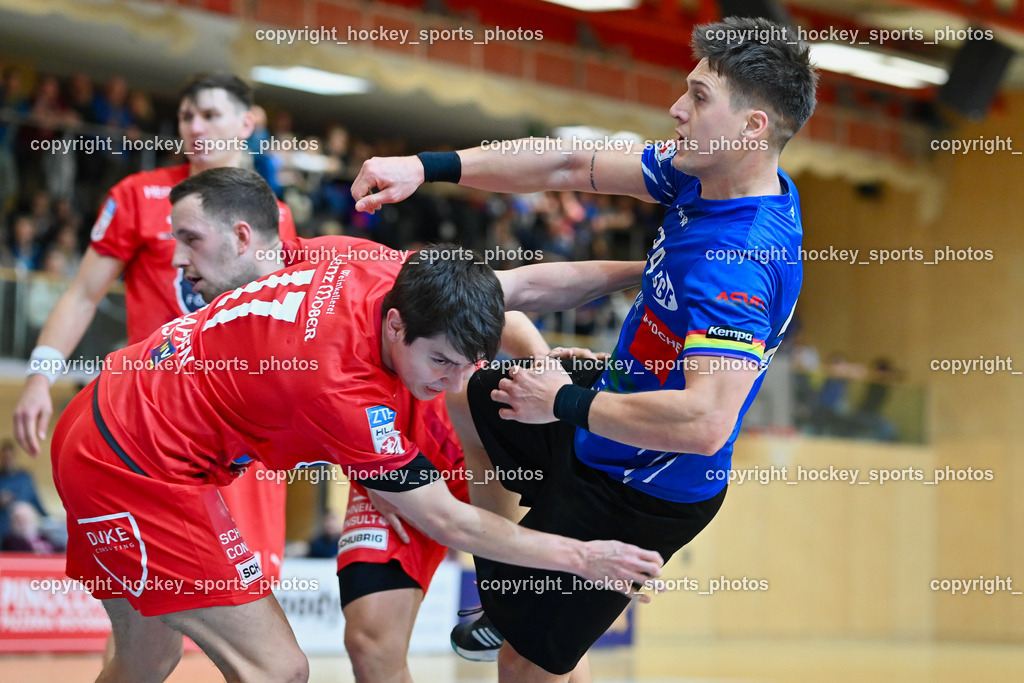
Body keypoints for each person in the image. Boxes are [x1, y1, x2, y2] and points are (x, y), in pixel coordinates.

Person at [50, 167, 662, 682]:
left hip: (107, 412)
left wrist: (653, 268)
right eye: (441, 364)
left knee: (145, 657)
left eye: (465, 365)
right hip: (133, 460)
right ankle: (505, 595)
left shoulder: (376, 268)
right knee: (278, 669)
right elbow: (444, 518)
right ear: (395, 328)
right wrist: (582, 557)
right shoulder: (343, 391)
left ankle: (503, 599)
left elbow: (524, 286)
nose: (452, 384)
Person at [350, 15, 817, 680]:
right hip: (605, 411)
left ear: (753, 129)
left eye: (700, 97)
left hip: (642, 487)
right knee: (467, 395)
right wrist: (427, 166)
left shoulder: (736, 257)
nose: (677, 109)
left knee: (524, 667)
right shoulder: (701, 176)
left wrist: (563, 401)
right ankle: (509, 588)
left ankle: (523, 615)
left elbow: (705, 422)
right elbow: (566, 161)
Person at [167, 167, 549, 682]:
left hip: (482, 451)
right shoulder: (243, 344)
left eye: (190, 242)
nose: (181, 265)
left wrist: (551, 376)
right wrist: (381, 477)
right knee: (369, 640)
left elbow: (509, 313)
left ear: (242, 240)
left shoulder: (338, 260)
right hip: (392, 467)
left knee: (535, 643)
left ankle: (510, 594)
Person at [13, 73, 295, 596]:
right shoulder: (139, 195)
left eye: (210, 114)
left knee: (254, 601)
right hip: (156, 424)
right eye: (187, 116)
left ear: (247, 124)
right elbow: (81, 294)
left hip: (242, 427)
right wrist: (38, 378)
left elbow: (284, 327)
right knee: (147, 611)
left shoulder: (274, 215)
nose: (195, 126)